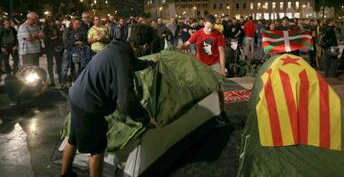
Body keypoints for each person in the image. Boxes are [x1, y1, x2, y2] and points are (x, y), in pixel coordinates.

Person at [61, 38, 156, 177]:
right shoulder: (122, 57)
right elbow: (127, 100)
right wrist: (145, 119)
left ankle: (66, 174)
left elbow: (132, 63)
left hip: (76, 95)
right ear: (145, 44)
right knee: (97, 149)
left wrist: (149, 63)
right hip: (89, 105)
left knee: (73, 138)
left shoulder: (116, 48)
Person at [177, 15, 227, 121]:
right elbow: (187, 44)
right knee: (200, 87)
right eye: (208, 27)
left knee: (219, 88)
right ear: (204, 24)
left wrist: (222, 69)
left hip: (214, 64)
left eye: (212, 27)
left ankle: (222, 110)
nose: (209, 30)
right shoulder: (198, 33)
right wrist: (178, 48)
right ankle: (203, 110)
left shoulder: (218, 35)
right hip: (201, 65)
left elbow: (221, 52)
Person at [43, 18, 64, 86]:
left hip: (57, 48)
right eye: (49, 22)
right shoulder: (45, 29)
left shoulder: (56, 28)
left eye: (52, 21)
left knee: (59, 64)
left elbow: (60, 37)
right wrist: (51, 38)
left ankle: (60, 80)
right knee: (50, 64)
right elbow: (45, 39)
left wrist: (56, 38)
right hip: (49, 48)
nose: (51, 23)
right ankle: (52, 81)